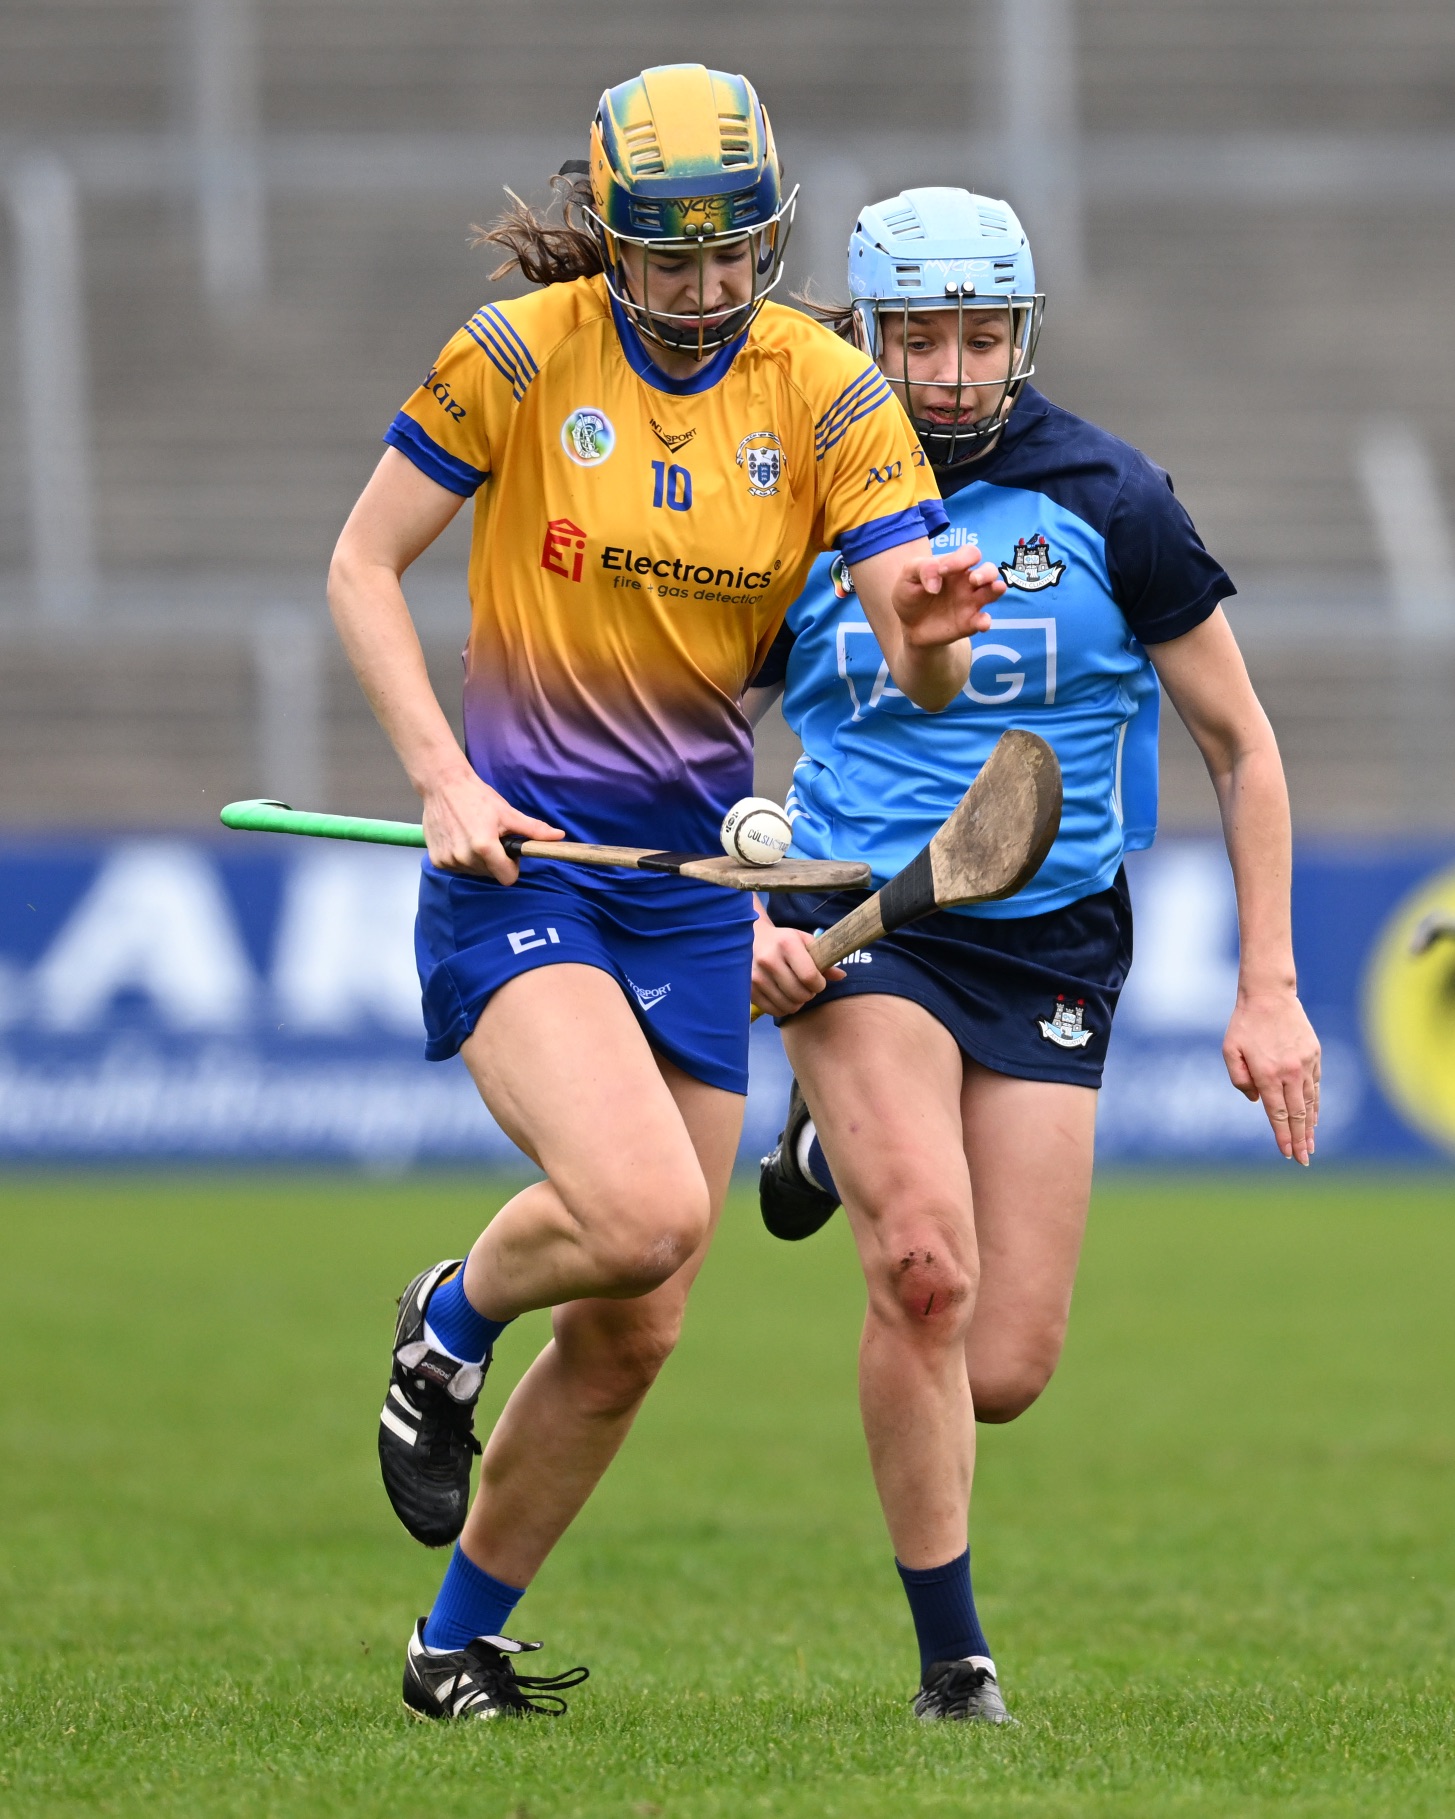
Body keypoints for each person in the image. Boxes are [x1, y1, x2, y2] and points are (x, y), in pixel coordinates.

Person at [327, 76, 1007, 1721]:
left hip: (692, 884)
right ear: (618, 241)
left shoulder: (833, 392)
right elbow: (361, 567)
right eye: (670, 260)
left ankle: (449, 1649)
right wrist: (440, 775)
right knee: (640, 1214)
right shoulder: (518, 354)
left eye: (737, 258)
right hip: (525, 868)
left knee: (639, 1328)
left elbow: (933, 678)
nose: (707, 293)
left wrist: (931, 618)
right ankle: (445, 1323)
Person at [749, 187, 1322, 1723]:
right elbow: (683, 735)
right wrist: (742, 911)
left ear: (1023, 334)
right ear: (865, 333)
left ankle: (816, 1148)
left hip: (1052, 940)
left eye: (979, 335)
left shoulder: (1113, 500)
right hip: (859, 915)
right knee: (924, 1272)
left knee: (1000, 1367)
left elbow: (1240, 747)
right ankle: (957, 1669)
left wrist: (1270, 988)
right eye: (918, 337)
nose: (947, 371)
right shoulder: (797, 488)